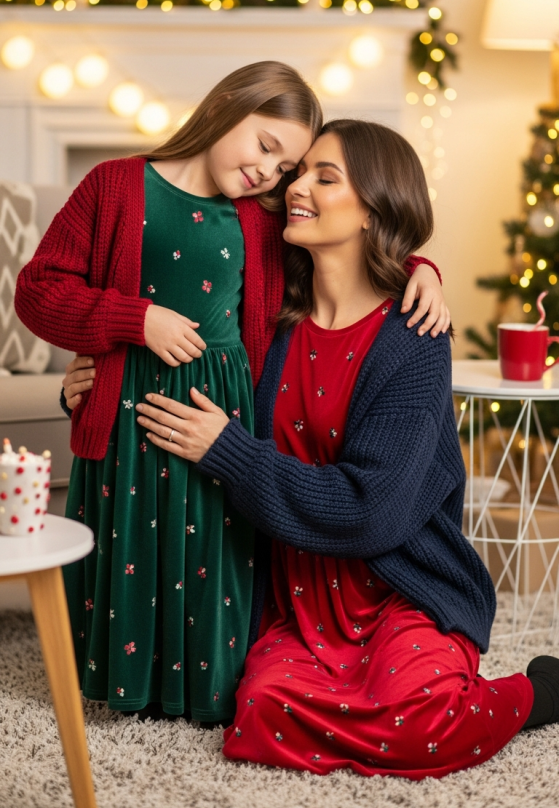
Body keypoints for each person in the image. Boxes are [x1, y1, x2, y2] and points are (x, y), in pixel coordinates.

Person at [15, 65, 446, 724]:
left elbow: (349, 245)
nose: (272, 174)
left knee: (211, 548)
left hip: (224, 416)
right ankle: (123, 684)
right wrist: (133, 320)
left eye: (287, 166)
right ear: (225, 108)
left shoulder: (264, 216)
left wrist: (422, 268)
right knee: (128, 543)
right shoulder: (114, 185)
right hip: (127, 410)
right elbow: (40, 290)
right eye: (265, 146)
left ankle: (201, 686)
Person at [133, 118, 559, 777]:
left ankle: (537, 692)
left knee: (416, 718)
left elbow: (373, 511)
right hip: (296, 597)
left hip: (398, 587)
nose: (296, 186)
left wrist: (229, 451)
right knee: (258, 715)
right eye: (298, 173)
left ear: (373, 210)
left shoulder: (413, 338)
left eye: (324, 178)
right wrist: (88, 377)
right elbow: (166, 322)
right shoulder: (265, 312)